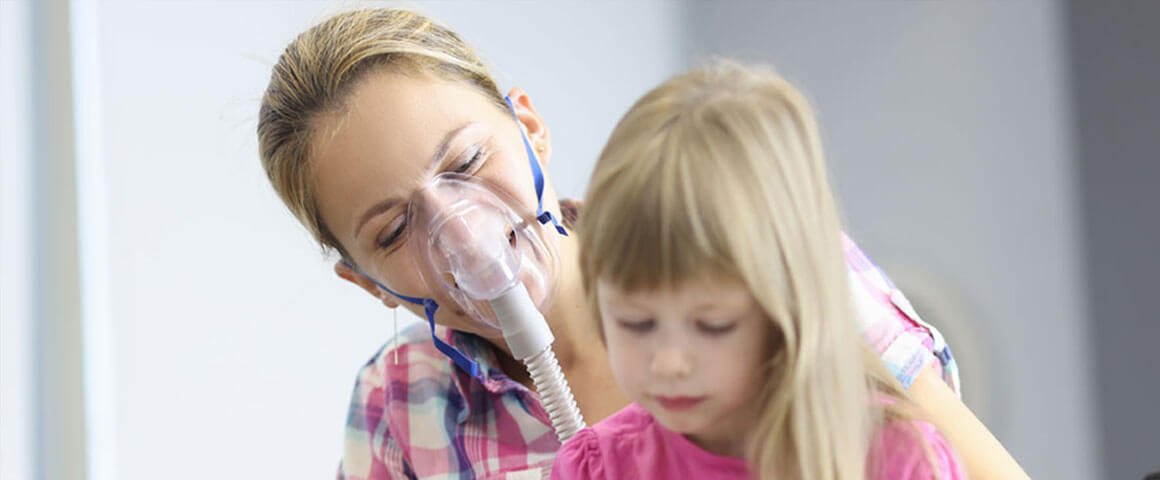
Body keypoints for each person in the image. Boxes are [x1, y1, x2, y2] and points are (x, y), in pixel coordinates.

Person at [256, 7, 1027, 479]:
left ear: (529, 128)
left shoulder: (751, 252)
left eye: (466, 164)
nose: (461, 230)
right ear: (367, 282)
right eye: (394, 231)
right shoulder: (402, 406)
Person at [553, 62, 962, 479]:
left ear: (787, 304)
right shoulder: (596, 468)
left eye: (713, 325)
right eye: (636, 323)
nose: (669, 364)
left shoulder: (896, 460)